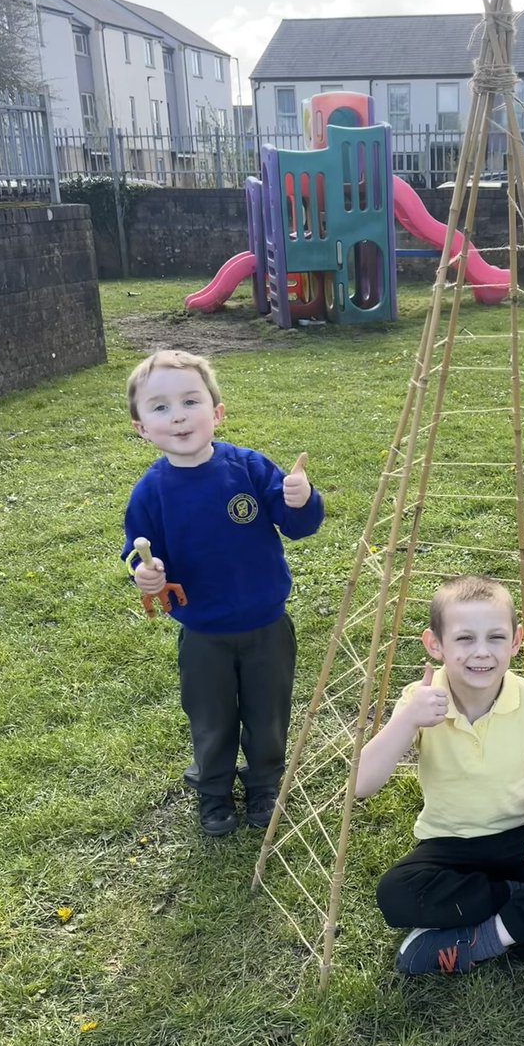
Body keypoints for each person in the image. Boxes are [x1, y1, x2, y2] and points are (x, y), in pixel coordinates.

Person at [355, 575, 524, 974]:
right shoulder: (421, 701)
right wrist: (408, 719)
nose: (481, 652)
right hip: (449, 847)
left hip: (522, 839)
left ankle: (484, 939)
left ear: (516, 641)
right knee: (396, 895)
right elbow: (362, 785)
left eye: (495, 638)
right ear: (435, 644)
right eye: (464, 639)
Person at [121, 349, 324, 837]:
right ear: (142, 428)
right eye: (160, 407)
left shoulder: (249, 468)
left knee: (268, 712)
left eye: (190, 401)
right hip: (204, 633)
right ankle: (213, 794)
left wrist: (301, 498)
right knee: (211, 718)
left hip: (267, 625)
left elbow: (297, 524)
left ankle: (264, 785)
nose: (178, 416)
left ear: (216, 412)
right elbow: (137, 552)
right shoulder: (151, 492)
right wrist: (145, 575)